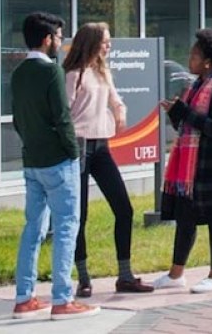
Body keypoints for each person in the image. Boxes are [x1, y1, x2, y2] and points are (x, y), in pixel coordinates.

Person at [9, 11, 99, 320]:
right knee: (66, 227)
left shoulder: (18, 72)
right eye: (59, 38)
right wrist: (73, 152)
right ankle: (63, 299)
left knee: (33, 228)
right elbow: (62, 118)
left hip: (31, 160)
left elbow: (16, 119)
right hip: (58, 162)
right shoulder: (52, 73)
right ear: (47, 40)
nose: (60, 43)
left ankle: (24, 297)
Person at [61, 22, 153, 297]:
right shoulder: (72, 74)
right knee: (81, 215)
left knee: (124, 209)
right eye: (105, 41)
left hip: (101, 147)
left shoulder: (102, 71)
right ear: (91, 43)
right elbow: (64, 112)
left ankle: (125, 275)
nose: (109, 46)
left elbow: (115, 99)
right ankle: (83, 277)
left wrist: (120, 112)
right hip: (78, 146)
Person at [151, 28, 212, 294]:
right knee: (185, 218)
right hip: (192, 167)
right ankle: (175, 274)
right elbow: (187, 122)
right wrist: (175, 113)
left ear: (207, 61)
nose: (188, 59)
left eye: (193, 55)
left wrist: (186, 113)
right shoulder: (195, 87)